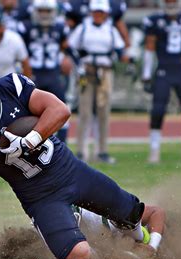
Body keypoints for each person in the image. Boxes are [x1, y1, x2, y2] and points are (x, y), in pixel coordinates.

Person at [0, 66, 146, 259]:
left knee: (132, 213)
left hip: (72, 172)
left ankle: (102, 222)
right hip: (42, 199)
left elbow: (60, 110)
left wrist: (30, 140)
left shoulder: (11, 88)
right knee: (79, 255)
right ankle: (108, 251)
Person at [142, 0, 181, 163]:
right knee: (157, 111)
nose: (171, 3)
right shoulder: (155, 20)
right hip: (164, 69)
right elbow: (149, 47)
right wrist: (146, 74)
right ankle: (154, 151)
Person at [68, 0, 127, 163]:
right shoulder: (83, 28)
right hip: (86, 71)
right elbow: (71, 47)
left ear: (106, 14)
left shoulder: (111, 30)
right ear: (91, 12)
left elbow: (120, 49)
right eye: (96, 12)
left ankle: (102, 151)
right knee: (84, 111)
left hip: (105, 72)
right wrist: (78, 63)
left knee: (103, 112)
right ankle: (81, 151)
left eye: (101, 12)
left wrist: (124, 59)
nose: (98, 15)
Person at [18, 0, 71, 143]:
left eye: (47, 11)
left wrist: (66, 58)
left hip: (53, 74)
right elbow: (20, 52)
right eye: (41, 11)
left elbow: (67, 49)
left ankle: (62, 145)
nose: (44, 15)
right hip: (33, 75)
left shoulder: (60, 28)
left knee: (62, 109)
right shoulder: (26, 27)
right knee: (28, 112)